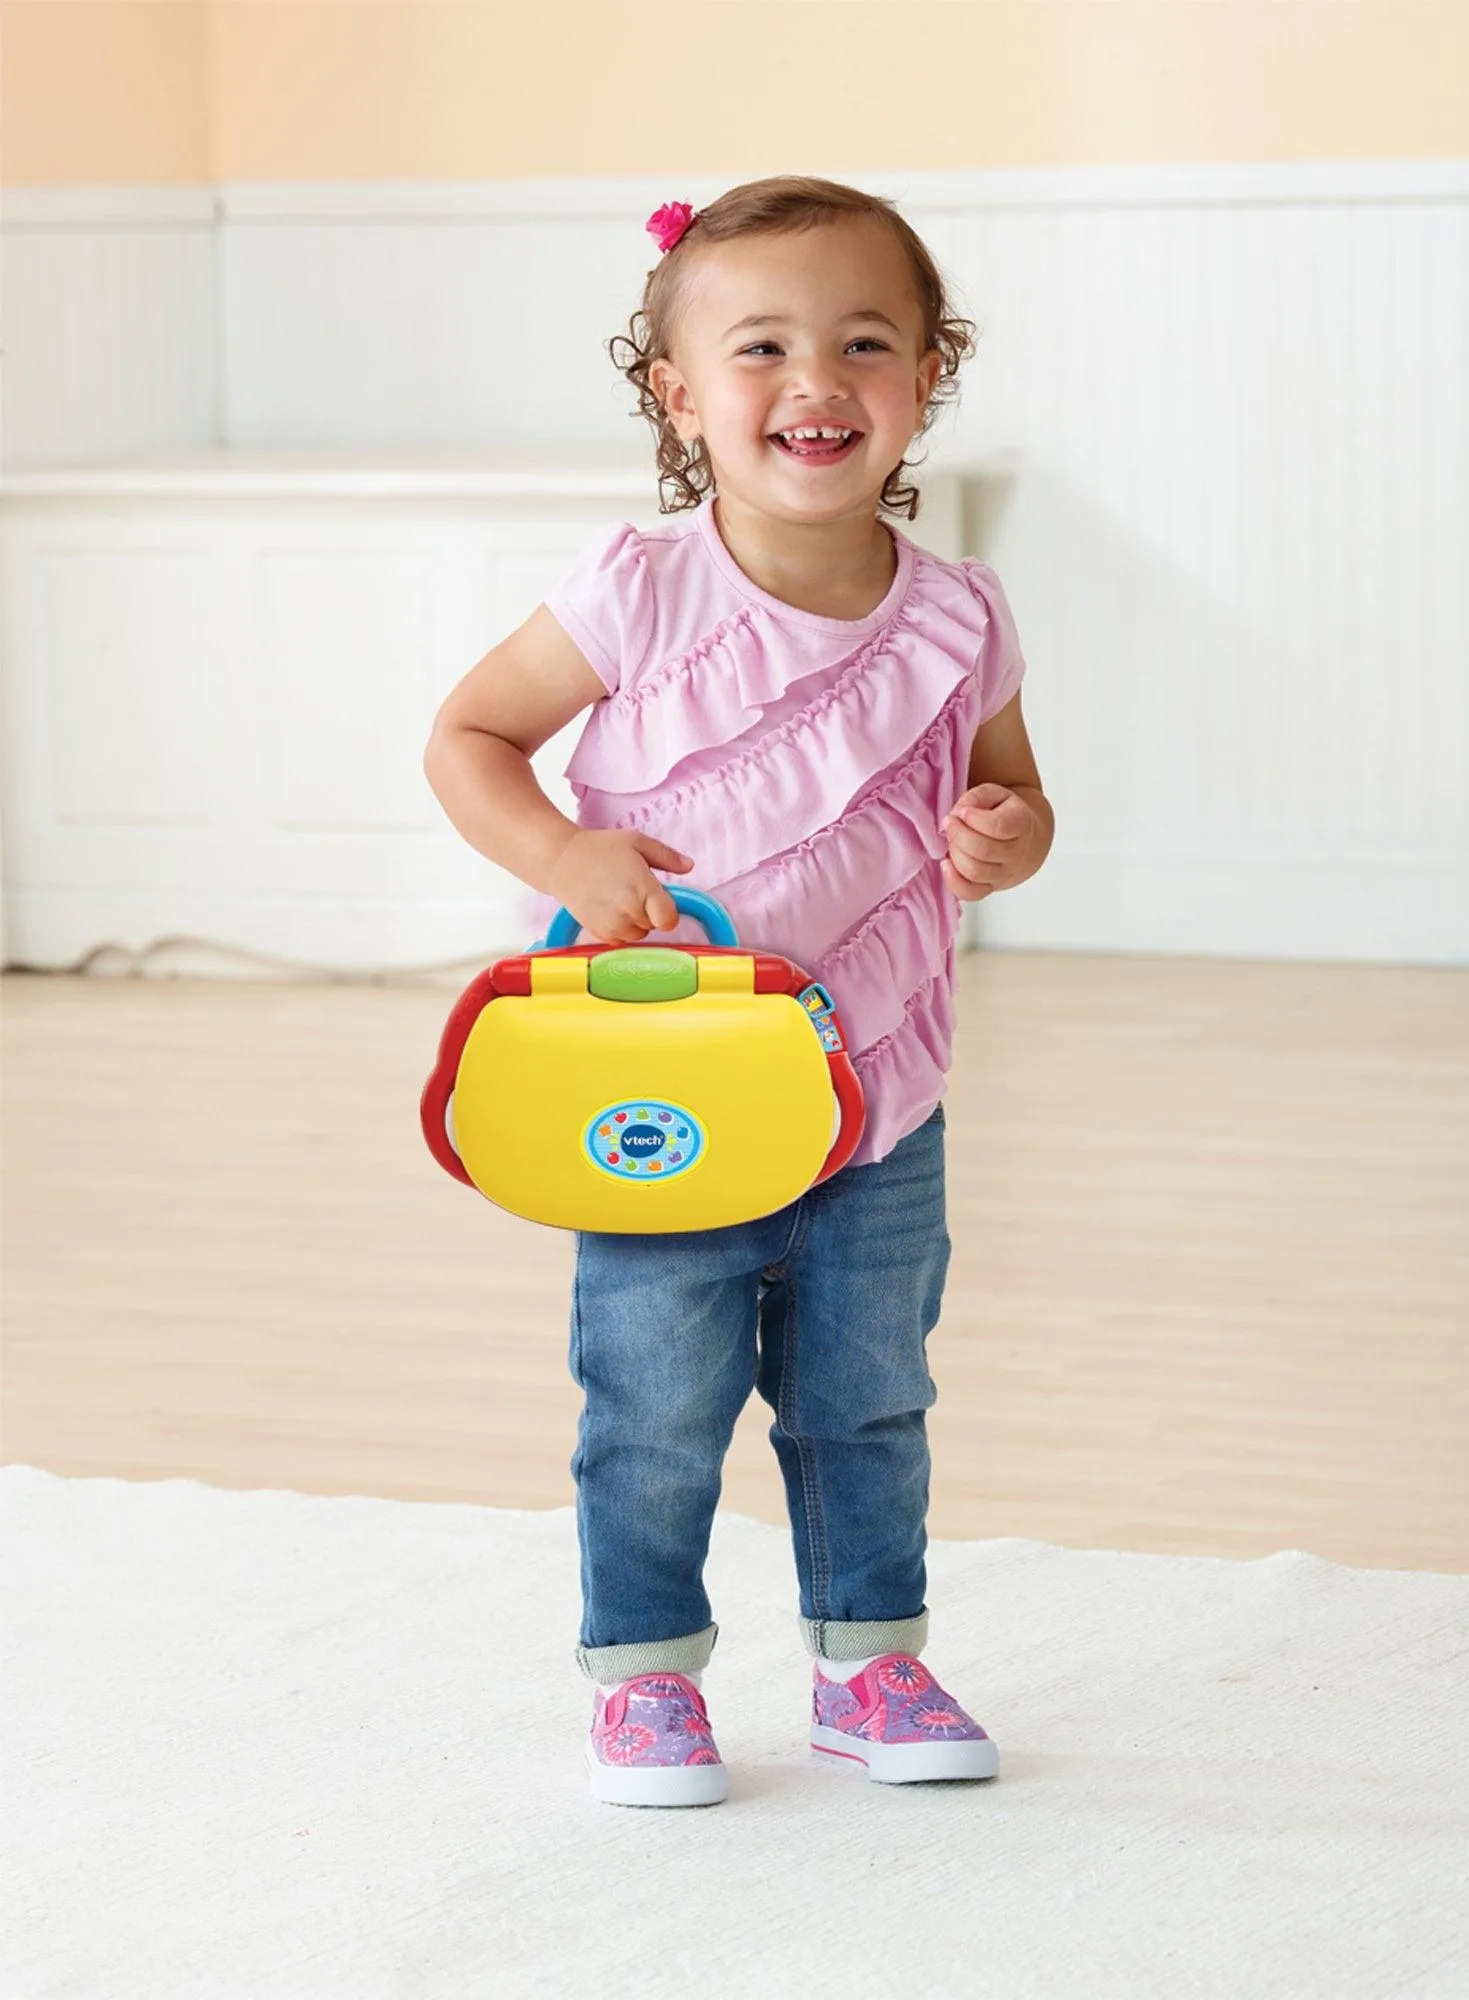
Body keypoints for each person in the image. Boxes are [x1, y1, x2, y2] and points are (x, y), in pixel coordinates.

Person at [424, 176, 1054, 1808]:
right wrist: (566, 857)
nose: (814, 381)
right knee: (651, 1402)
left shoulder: (960, 615)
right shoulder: (639, 589)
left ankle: (869, 1661)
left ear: (927, 376)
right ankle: (642, 1677)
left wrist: (1004, 837)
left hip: (876, 1095)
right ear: (679, 394)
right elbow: (470, 737)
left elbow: (1013, 795)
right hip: (663, 1093)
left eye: (864, 341)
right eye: (760, 346)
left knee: (868, 1396)